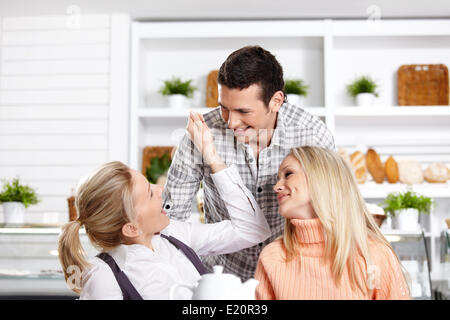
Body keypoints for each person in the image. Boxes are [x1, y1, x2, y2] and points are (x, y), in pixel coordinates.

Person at [163, 45, 335, 280]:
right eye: (225, 108)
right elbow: (173, 218)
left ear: (276, 101)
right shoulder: (203, 132)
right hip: (222, 273)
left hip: (292, 272)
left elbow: (331, 211)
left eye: (244, 111)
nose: (231, 122)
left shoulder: (312, 134)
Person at [57, 113, 271, 300]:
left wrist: (212, 156)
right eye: (150, 193)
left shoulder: (175, 235)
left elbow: (253, 230)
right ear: (131, 228)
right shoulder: (103, 276)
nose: (159, 190)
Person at [254, 146, 411, 300]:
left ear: (321, 177)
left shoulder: (373, 255)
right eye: (278, 179)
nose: (276, 187)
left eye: (288, 174)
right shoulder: (272, 257)